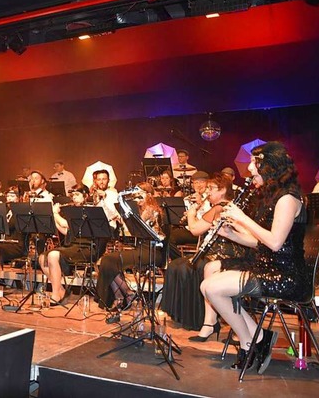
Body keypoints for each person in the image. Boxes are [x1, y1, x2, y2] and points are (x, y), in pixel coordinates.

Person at [201, 141, 307, 373]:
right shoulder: (272, 197)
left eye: (254, 163)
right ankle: (257, 339)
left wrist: (241, 218)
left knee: (212, 287)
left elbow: (275, 243)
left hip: (286, 274)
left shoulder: (288, 199)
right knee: (208, 283)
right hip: (269, 264)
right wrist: (231, 233)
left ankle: (253, 342)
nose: (249, 169)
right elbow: (261, 242)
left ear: (269, 167)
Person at [160, 173, 249, 336]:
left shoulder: (219, 206)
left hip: (222, 256)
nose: (207, 192)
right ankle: (198, 319)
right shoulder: (225, 205)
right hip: (217, 253)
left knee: (184, 267)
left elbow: (195, 229)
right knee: (176, 265)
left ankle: (196, 318)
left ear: (222, 190)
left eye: (211, 188)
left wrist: (193, 212)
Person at [96, 182, 165, 310]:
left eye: (140, 195)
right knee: (108, 260)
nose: (136, 198)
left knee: (109, 260)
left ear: (148, 195)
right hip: (140, 248)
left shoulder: (151, 209)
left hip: (151, 251)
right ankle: (122, 296)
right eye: (135, 195)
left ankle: (126, 294)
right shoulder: (141, 209)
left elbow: (139, 228)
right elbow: (132, 232)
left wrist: (127, 217)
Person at [38, 185, 106, 305]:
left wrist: (55, 213)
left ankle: (55, 294)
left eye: (77, 195)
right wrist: (53, 217)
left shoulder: (89, 210)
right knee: (42, 258)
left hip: (85, 248)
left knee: (53, 255)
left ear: (85, 196)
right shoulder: (72, 211)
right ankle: (61, 290)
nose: (74, 198)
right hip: (72, 246)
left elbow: (66, 224)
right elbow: (67, 231)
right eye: (73, 195)